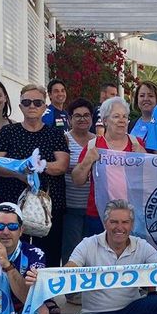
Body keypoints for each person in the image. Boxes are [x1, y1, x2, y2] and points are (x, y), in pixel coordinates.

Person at [0, 84, 70, 268]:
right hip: (12, 206)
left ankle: (46, 295)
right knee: (12, 252)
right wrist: (20, 172)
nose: (32, 106)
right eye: (26, 102)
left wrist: (37, 167)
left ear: (44, 106)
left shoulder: (54, 134)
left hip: (48, 205)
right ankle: (14, 291)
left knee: (50, 252)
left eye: (37, 102)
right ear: (20, 106)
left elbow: (62, 164)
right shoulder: (9, 132)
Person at [73, 97, 147, 247]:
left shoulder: (137, 143)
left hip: (131, 216)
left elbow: (150, 178)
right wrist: (88, 160)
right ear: (105, 120)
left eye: (125, 116)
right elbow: (77, 180)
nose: (122, 120)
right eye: (116, 116)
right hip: (98, 216)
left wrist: (143, 155)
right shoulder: (94, 145)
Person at [62, 98, 98, 292]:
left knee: (93, 250)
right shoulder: (64, 139)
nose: (82, 119)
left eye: (86, 115)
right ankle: (71, 291)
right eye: (77, 116)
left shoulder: (98, 141)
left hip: (95, 206)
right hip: (71, 204)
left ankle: (91, 289)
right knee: (72, 249)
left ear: (92, 118)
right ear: (70, 119)